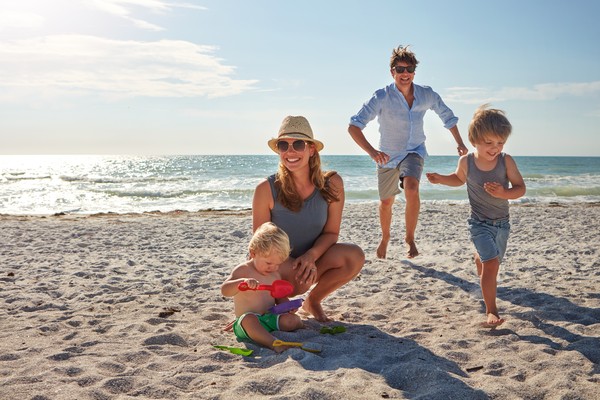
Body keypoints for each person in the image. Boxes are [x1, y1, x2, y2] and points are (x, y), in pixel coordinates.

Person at [348, 45, 468, 259]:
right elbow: (354, 126)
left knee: (411, 187)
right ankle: (385, 237)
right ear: (392, 71)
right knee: (386, 203)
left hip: (414, 151)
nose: (405, 74)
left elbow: (448, 117)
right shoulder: (381, 96)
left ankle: (409, 239)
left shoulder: (426, 94)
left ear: (414, 71)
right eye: (400, 69)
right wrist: (373, 152)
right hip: (386, 155)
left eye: (409, 69)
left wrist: (460, 143)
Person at [253, 115, 365, 322]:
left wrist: (311, 256)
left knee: (354, 256)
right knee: (299, 279)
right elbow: (261, 246)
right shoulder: (265, 189)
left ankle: (312, 301)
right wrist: (288, 282)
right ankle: (281, 298)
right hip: (277, 265)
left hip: (314, 259)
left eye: (297, 144)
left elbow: (331, 233)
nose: (290, 151)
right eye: (283, 145)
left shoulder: (332, 183)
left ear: (311, 149)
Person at [426, 104, 526, 327]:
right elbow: (459, 179)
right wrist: (442, 179)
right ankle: (491, 311)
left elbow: (520, 188)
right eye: (489, 143)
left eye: (500, 143)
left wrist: (504, 193)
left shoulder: (506, 161)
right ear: (474, 141)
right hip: (478, 224)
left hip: (502, 225)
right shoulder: (467, 162)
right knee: (492, 265)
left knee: (489, 261)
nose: (495, 148)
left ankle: (479, 258)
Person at [221, 222, 304, 352]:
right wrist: (241, 282)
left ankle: (301, 325)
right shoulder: (243, 271)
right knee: (249, 320)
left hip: (268, 319)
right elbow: (225, 290)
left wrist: (287, 307)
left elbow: (279, 297)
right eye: (269, 263)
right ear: (253, 253)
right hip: (247, 321)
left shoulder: (275, 274)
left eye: (278, 264)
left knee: (291, 321)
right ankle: (273, 343)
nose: (274, 268)